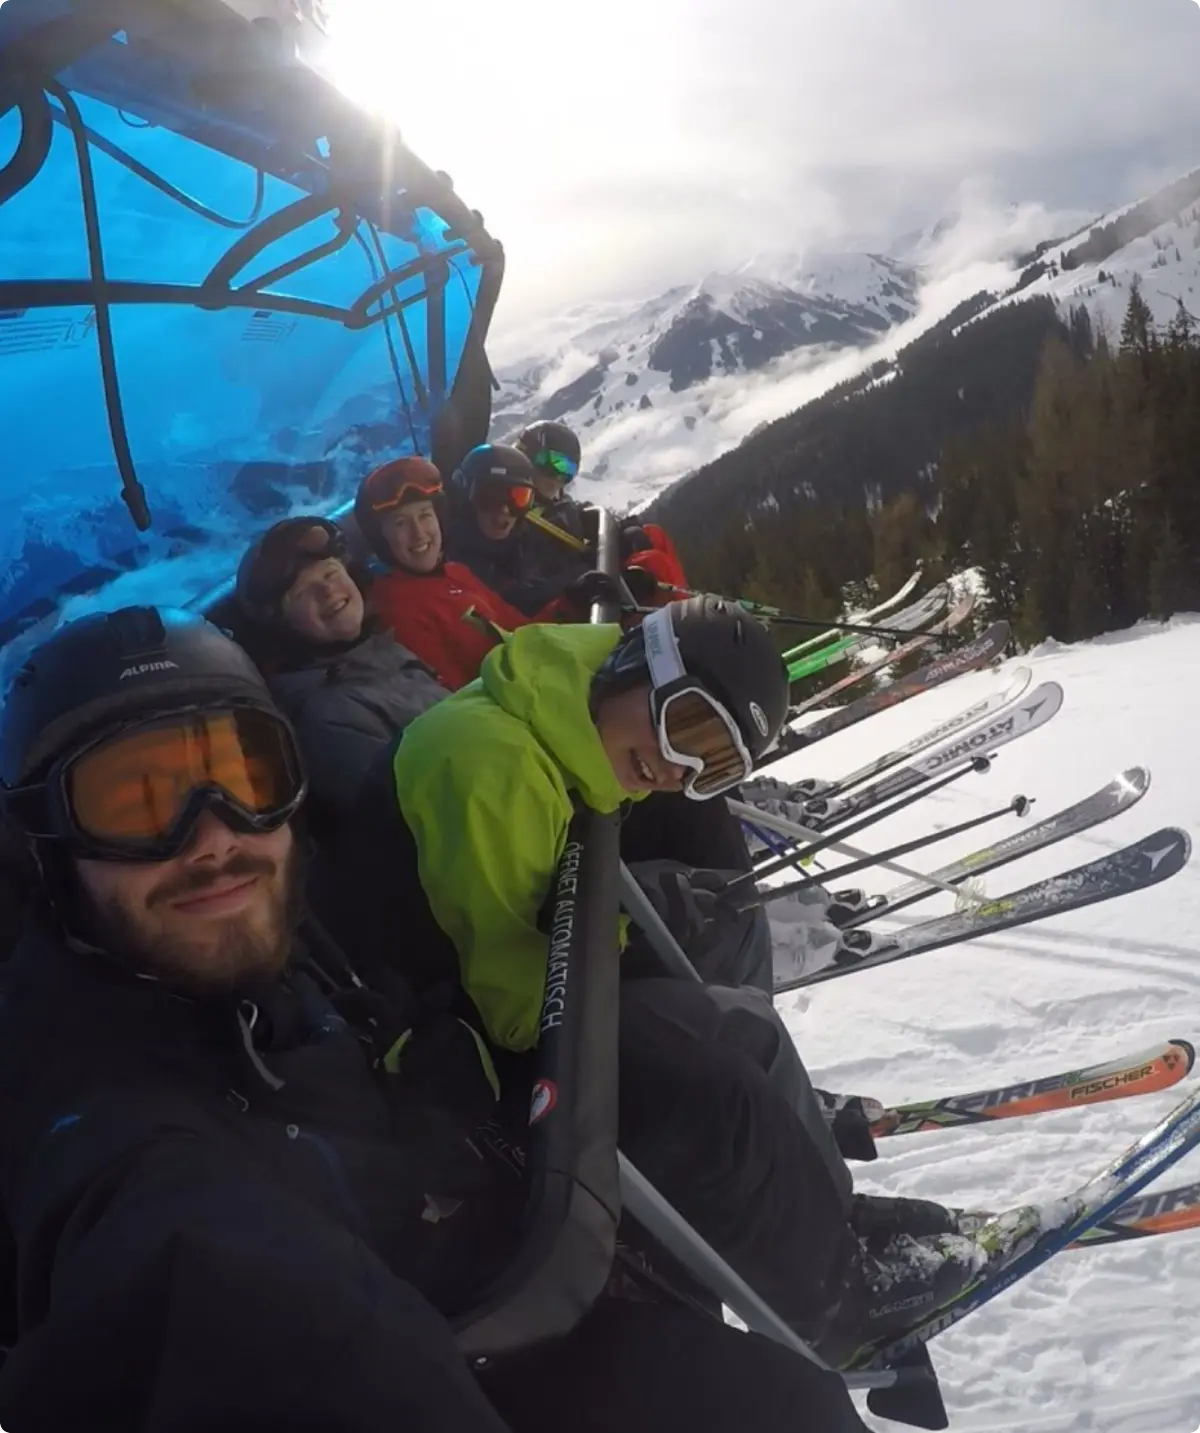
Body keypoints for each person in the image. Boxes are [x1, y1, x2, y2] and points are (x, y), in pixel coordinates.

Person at [0, 605, 876, 1433]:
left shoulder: (261, 943)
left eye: (243, 777)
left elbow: (385, 1016)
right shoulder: (110, 1127)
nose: (211, 835)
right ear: (46, 840)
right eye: (133, 801)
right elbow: (199, 1288)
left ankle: (826, 1233)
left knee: (780, 1383)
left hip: (500, 1232)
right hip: (473, 1331)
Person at [341, 595, 983, 1364]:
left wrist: (631, 923)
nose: (676, 769)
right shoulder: (486, 758)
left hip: (511, 990)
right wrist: (626, 933)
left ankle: (834, 1224)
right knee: (716, 1099)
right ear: (635, 664)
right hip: (446, 1047)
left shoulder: (574, 731)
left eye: (713, 767)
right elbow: (519, 1009)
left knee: (748, 1026)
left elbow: (543, 925)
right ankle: (834, 1304)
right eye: (689, 729)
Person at [234, 514, 448, 829]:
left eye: (331, 573)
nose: (328, 591)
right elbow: (423, 821)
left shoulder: (380, 652)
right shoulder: (327, 717)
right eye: (304, 591)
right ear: (282, 626)